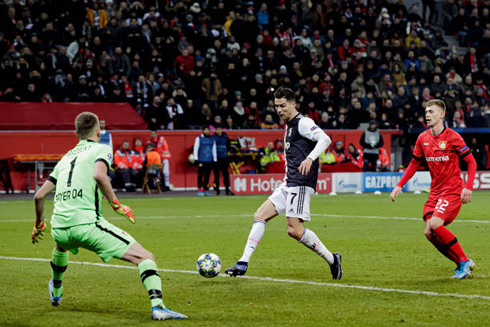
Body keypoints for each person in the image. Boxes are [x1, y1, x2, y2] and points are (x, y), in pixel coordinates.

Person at [31, 112, 187, 320]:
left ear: (76, 133)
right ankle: (158, 306)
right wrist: (116, 205)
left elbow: (39, 195)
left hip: (58, 227)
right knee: (145, 257)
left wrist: (39, 224)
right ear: (98, 131)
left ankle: (56, 292)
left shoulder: (65, 158)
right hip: (87, 226)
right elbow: (98, 174)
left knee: (61, 246)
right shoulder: (101, 149)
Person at [225, 86, 342, 280]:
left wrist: (310, 158)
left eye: (283, 106)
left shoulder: (303, 122)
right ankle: (243, 262)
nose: (279, 110)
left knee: (294, 230)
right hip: (289, 183)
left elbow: (325, 139)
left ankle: (332, 259)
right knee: (259, 215)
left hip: (301, 183)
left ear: (293, 104)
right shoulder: (289, 126)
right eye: (276, 106)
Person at [390, 99, 477, 279]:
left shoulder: (453, 137)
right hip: (435, 192)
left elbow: (471, 161)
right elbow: (414, 163)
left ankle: (463, 262)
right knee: (429, 232)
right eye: (426, 112)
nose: (427, 115)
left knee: (436, 224)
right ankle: (462, 262)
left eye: (431, 112)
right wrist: (400, 185)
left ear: (442, 114)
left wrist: (468, 187)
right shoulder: (423, 138)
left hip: (452, 190)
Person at [193, 126, 217, 196]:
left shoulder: (212, 139)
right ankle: (200, 189)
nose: (207, 132)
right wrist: (196, 159)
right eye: (205, 130)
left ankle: (205, 190)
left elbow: (214, 149)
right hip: (201, 160)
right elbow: (196, 149)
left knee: (207, 176)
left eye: (208, 130)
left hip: (209, 160)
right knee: (200, 175)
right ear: (203, 131)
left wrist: (215, 160)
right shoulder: (199, 139)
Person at [212, 124, 234, 196]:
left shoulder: (225, 137)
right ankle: (217, 191)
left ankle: (227, 190)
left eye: (219, 129)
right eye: (217, 130)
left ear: (221, 130)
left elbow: (228, 146)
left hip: (224, 158)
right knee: (216, 176)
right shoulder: (213, 137)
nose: (218, 131)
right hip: (216, 159)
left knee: (225, 175)